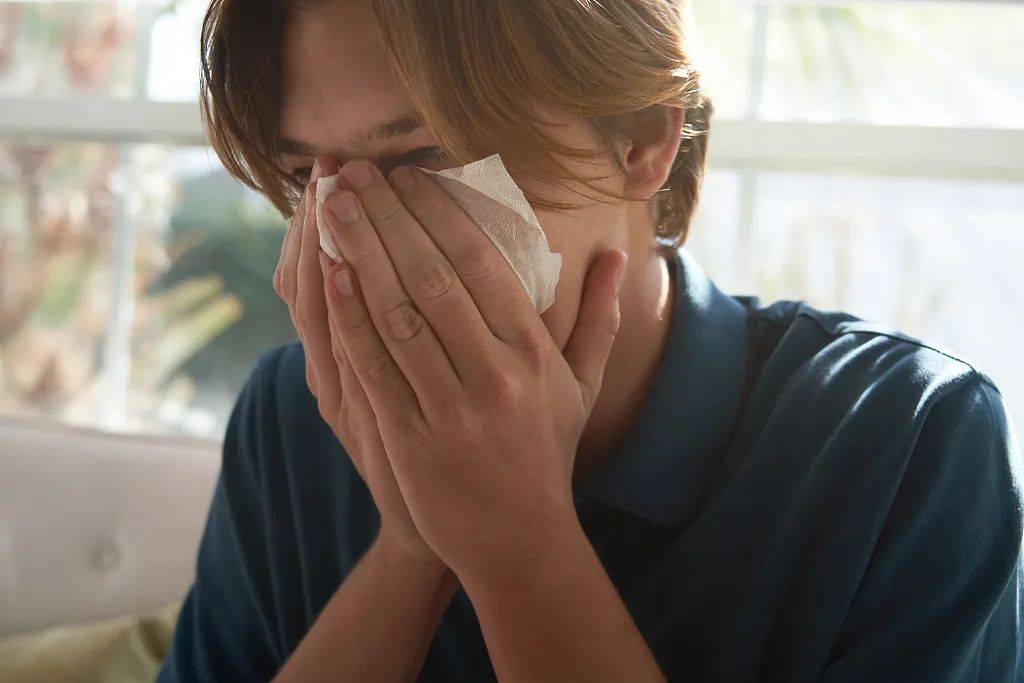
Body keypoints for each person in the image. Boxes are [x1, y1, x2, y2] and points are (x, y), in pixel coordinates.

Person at [157, 0, 1024, 681]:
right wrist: (414, 544)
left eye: (421, 159)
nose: (354, 234)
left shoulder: (907, 440)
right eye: (310, 175)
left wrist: (519, 545)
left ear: (641, 136)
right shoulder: (291, 413)